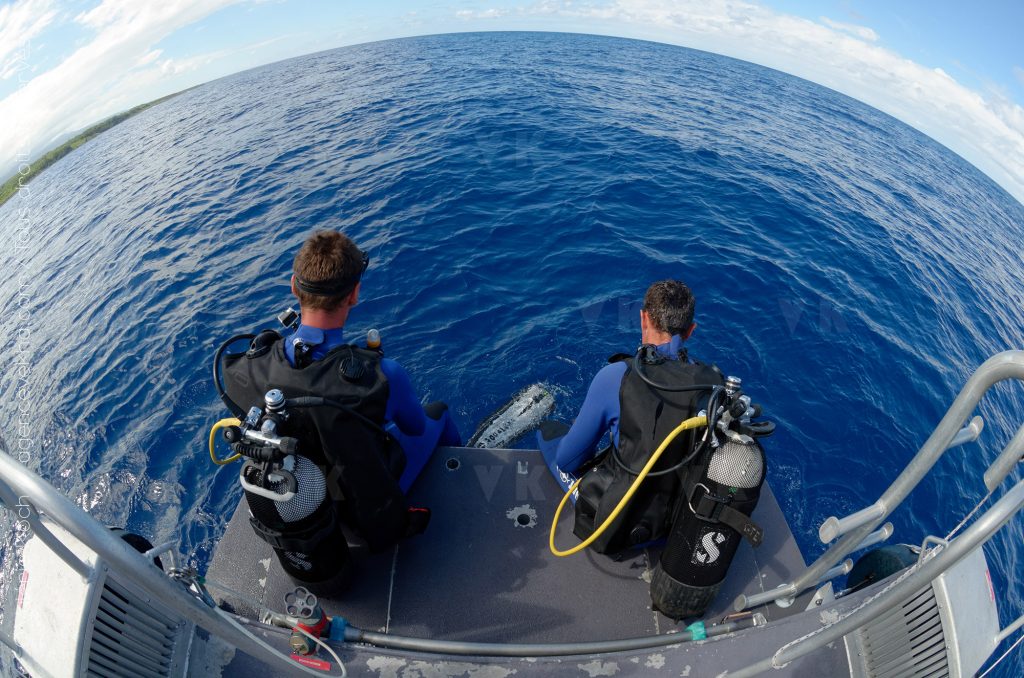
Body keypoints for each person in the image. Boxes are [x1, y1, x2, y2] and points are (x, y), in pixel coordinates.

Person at [221, 230, 461, 556]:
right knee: (438, 413)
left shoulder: (245, 370)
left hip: (302, 500)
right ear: (354, 295)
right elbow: (415, 428)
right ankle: (462, 470)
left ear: (294, 286)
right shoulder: (383, 376)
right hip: (363, 511)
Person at [537, 280, 724, 553]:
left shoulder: (615, 377)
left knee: (550, 440)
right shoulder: (713, 387)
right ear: (691, 331)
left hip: (619, 526)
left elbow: (568, 460)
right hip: (678, 525)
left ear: (643, 318)